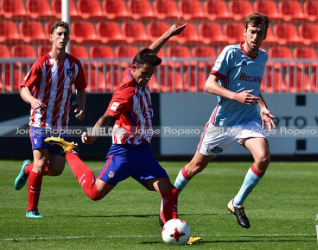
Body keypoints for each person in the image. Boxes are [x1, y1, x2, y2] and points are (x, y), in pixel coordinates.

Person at [44, 24, 201, 244]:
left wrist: (168, 34)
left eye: (150, 74)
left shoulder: (138, 70)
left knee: (169, 192)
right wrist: (93, 134)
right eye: (144, 74)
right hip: (123, 154)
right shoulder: (126, 92)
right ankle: (69, 152)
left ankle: (175, 232)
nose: (147, 78)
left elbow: (150, 52)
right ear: (134, 69)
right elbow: (106, 117)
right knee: (93, 193)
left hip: (143, 154)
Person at [173, 13, 276, 229]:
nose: (256, 36)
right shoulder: (231, 52)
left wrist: (263, 107)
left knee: (263, 157)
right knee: (195, 167)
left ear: (266, 35)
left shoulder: (263, 57)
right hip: (223, 122)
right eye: (253, 31)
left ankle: (236, 204)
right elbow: (209, 85)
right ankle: (169, 202)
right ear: (244, 32)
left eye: (260, 32)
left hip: (248, 119)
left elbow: (254, 89)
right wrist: (235, 96)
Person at [14, 21, 87, 218]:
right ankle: (32, 210)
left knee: (56, 169)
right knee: (41, 161)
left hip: (61, 125)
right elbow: (24, 88)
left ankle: (27, 169)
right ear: (51, 37)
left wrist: (81, 106)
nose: (63, 38)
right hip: (39, 121)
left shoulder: (75, 65)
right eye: (60, 34)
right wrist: (33, 100)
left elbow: (81, 88)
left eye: (66, 34)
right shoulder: (41, 64)